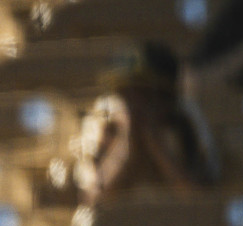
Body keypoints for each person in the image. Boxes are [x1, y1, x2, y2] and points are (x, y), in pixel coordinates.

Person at [74, 42, 219, 206]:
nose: (133, 104)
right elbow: (91, 199)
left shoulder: (186, 121)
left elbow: (201, 200)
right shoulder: (103, 119)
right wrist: (125, 145)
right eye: (125, 93)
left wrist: (158, 146)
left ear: (167, 98)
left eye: (144, 94)